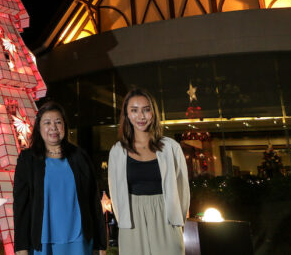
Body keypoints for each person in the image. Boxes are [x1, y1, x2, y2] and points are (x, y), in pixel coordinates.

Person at [13, 101, 107, 255]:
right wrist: (21, 248)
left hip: (79, 240)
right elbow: (21, 207)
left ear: (65, 126)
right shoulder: (27, 160)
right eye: (47, 123)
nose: (53, 127)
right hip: (43, 242)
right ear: (39, 127)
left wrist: (101, 244)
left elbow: (93, 202)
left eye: (58, 122)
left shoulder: (80, 157)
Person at [107, 87, 189, 255]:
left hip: (167, 215)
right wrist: (123, 221)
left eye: (146, 110)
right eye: (134, 110)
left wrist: (178, 220)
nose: (141, 116)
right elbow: (114, 191)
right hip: (131, 218)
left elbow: (182, 188)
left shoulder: (171, 147)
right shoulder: (117, 151)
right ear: (127, 115)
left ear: (153, 112)